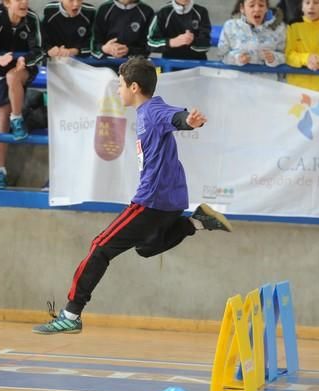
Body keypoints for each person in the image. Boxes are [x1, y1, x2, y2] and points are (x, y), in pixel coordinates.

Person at [33, 57, 233, 335]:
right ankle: (196, 222)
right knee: (146, 247)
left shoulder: (152, 110)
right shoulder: (144, 112)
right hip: (172, 202)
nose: (118, 90)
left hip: (152, 200)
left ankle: (71, 313)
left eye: (120, 85)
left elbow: (173, 117)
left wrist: (188, 120)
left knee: (100, 248)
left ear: (135, 87)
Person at [0, 0, 43, 189]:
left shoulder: (31, 19)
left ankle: (18, 118)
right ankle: (0, 171)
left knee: (13, 76)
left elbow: (39, 51)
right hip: (0, 70)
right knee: (1, 118)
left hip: (24, 69)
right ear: (7, 2)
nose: (24, 3)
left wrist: (25, 59)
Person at [217, 0, 286, 67]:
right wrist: (236, 58)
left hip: (267, 77)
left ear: (266, 8)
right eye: (251, 5)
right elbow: (222, 55)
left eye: (261, 5)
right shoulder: (230, 26)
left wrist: (274, 58)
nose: (257, 9)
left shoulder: (278, 28)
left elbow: (286, 55)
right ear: (242, 8)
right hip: (237, 77)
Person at [147, 0, 212, 60]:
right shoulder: (162, 13)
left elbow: (207, 45)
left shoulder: (201, 12)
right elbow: (150, 43)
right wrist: (171, 42)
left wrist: (192, 40)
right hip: (170, 66)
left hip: (197, 66)